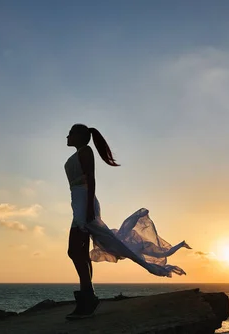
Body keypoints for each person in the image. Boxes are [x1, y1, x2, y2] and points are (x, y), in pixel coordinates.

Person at [64, 124, 191, 320]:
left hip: (85, 203)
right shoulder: (80, 153)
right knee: (78, 252)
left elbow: (91, 179)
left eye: (71, 132)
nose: (67, 135)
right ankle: (88, 297)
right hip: (78, 203)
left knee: (74, 251)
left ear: (80, 136)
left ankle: (88, 298)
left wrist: (89, 208)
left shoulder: (86, 151)